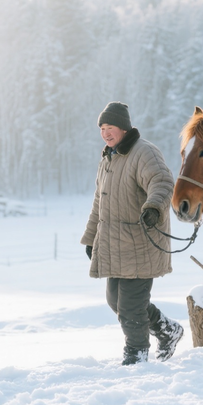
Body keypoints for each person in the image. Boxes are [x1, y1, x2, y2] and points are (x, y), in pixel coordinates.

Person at [81, 101, 184, 365]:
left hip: (139, 243)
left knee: (130, 306)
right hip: (115, 245)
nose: (105, 133)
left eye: (110, 127)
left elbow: (161, 181)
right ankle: (167, 330)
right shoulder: (109, 158)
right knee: (115, 300)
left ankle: (136, 357)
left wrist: (153, 207)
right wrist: (91, 238)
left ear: (124, 128)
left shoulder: (143, 152)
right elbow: (99, 203)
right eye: (102, 128)